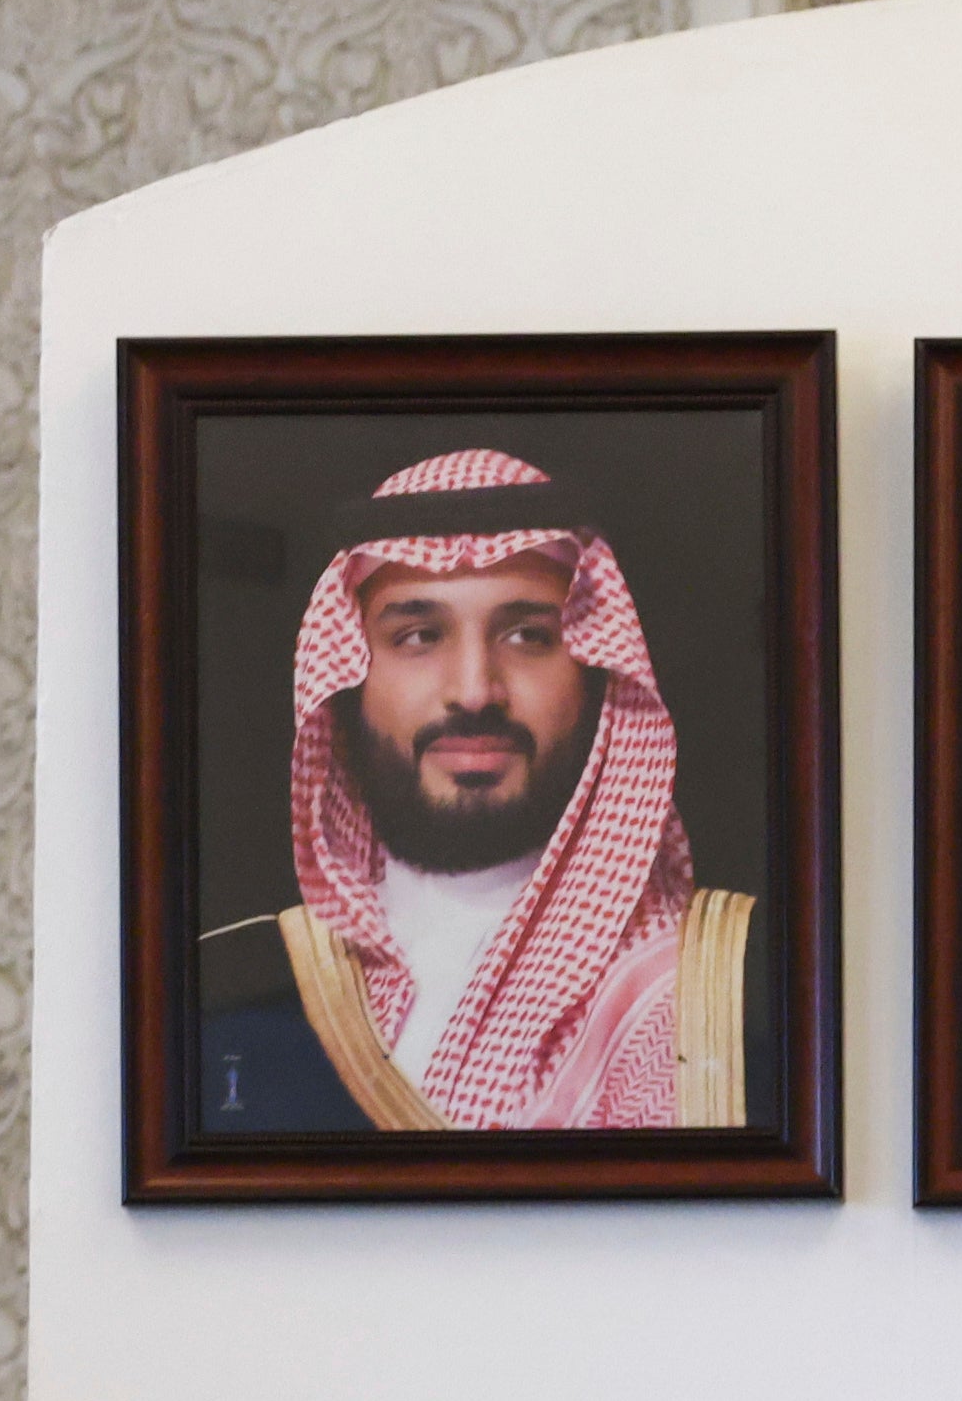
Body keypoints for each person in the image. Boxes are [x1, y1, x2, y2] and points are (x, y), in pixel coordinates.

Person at [194, 445, 761, 1134]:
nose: (474, 690)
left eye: (527, 635)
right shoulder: (233, 996)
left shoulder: (729, 990)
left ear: (596, 675)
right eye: (418, 636)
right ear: (347, 682)